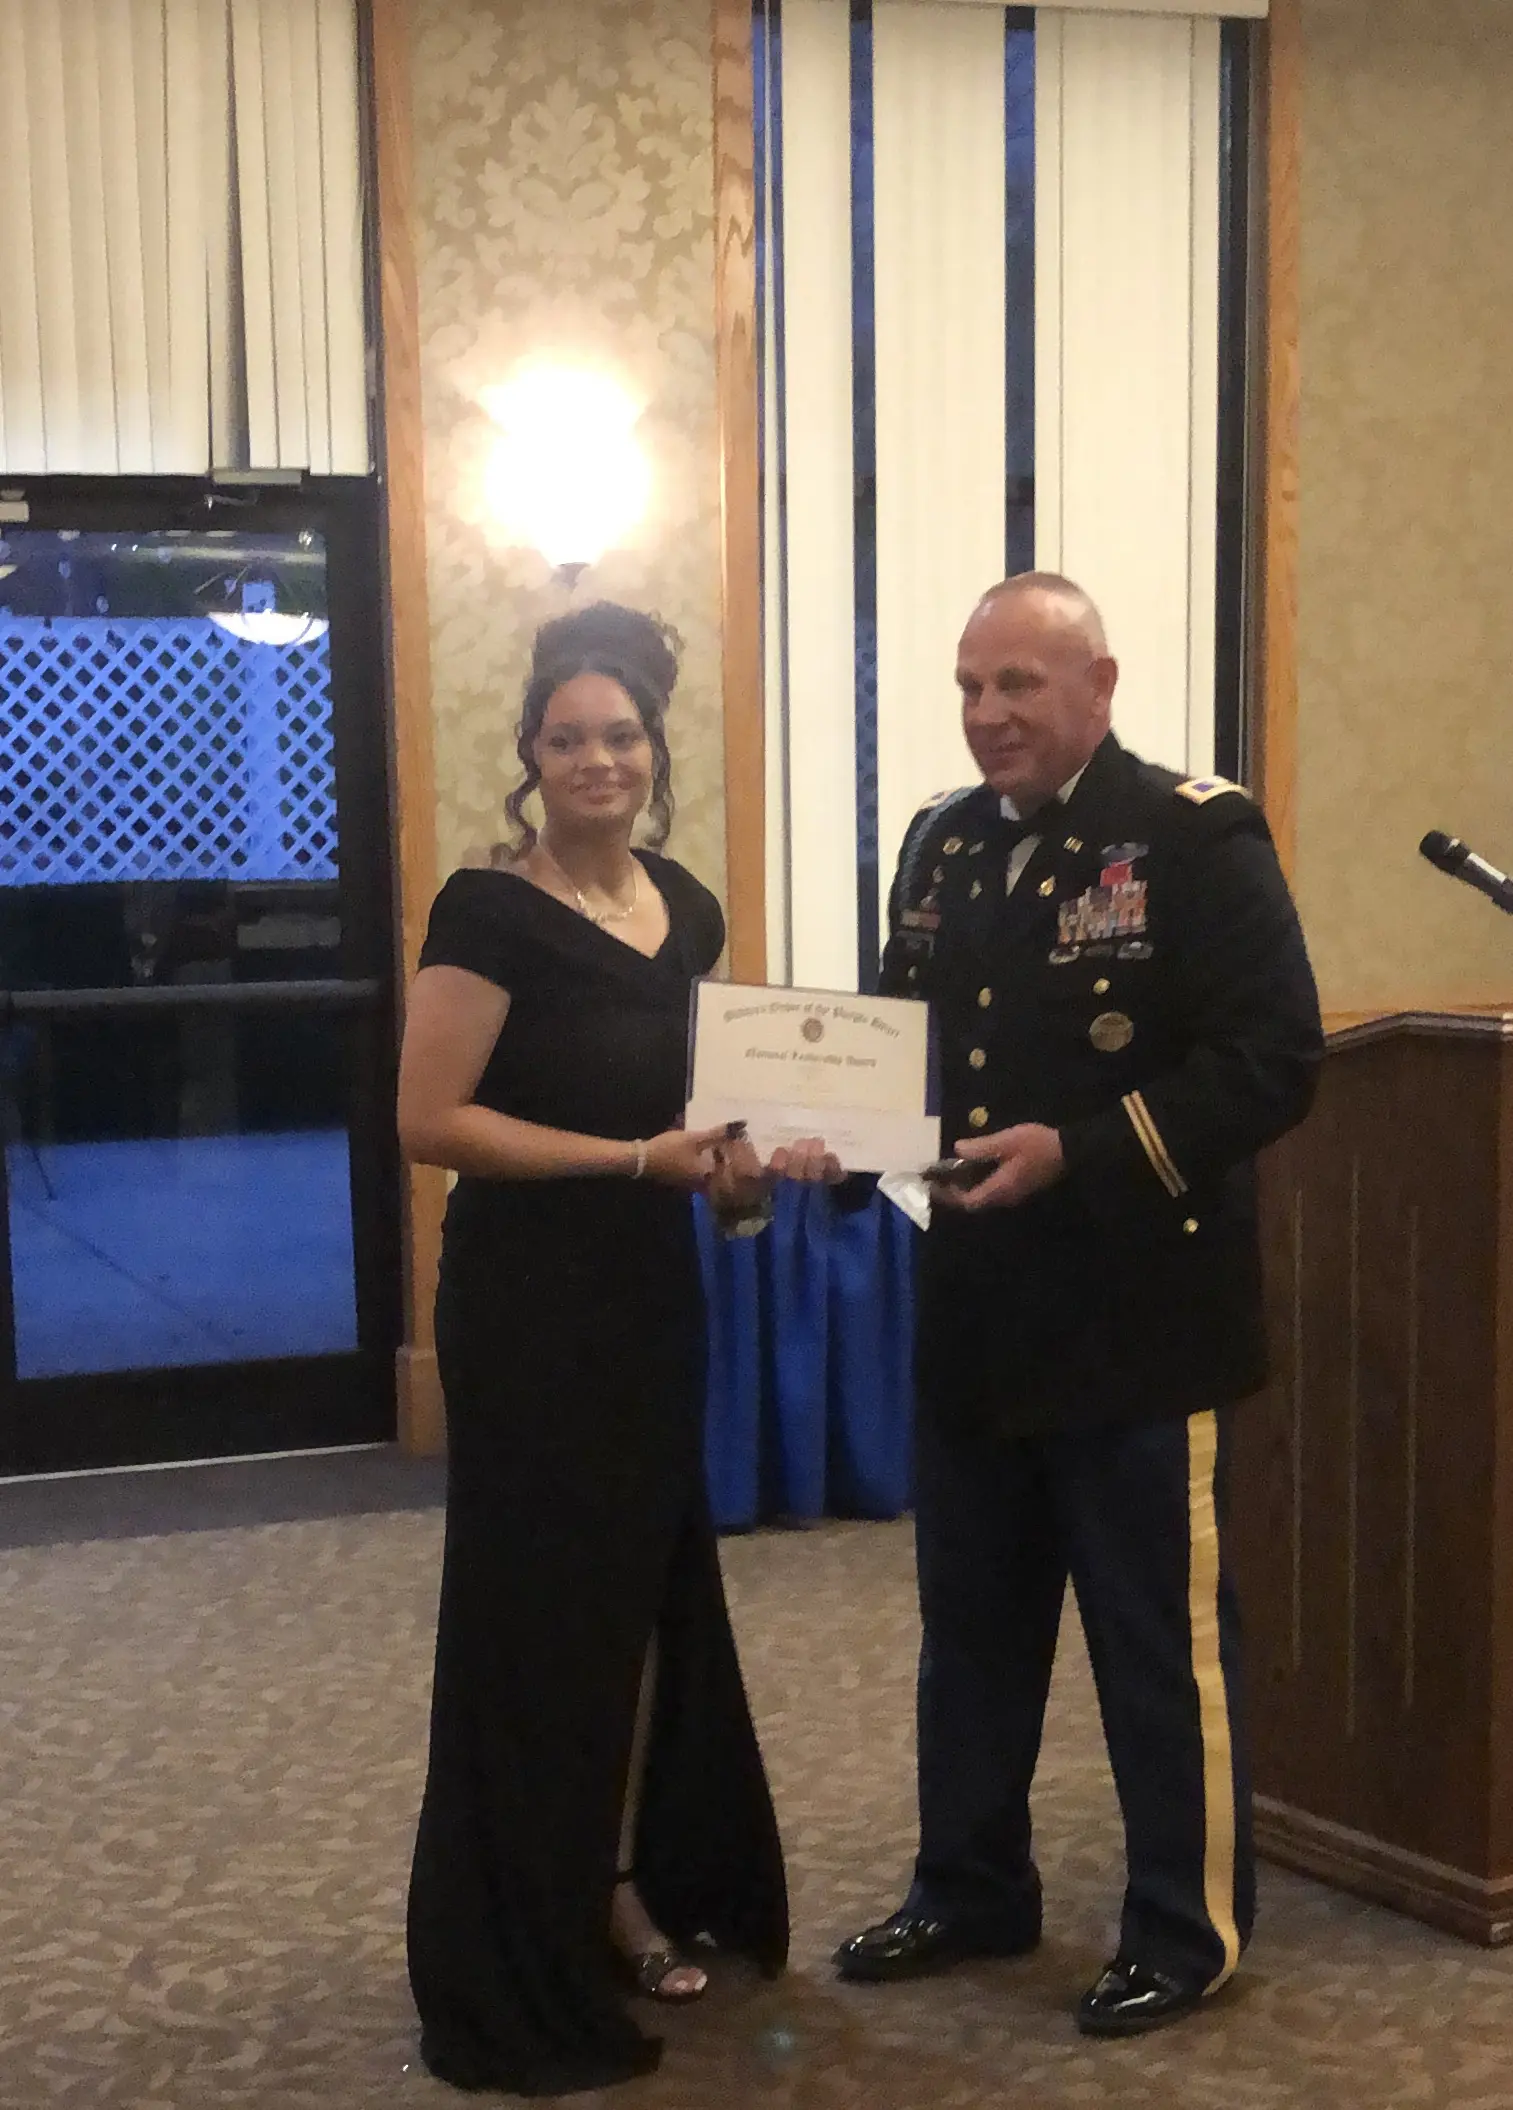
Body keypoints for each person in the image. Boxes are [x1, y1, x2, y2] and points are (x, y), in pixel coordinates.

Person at [830, 572, 1323, 2036]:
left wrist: (1082, 1151)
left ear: (1098, 685)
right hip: (976, 1308)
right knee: (972, 1632)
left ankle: (1188, 1925)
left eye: (1019, 685)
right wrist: (819, 1123)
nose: (988, 714)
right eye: (969, 687)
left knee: (1156, 1649)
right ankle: (972, 1884)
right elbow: (902, 1045)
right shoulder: (942, 841)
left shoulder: (1193, 834)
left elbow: (1272, 1059)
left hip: (1134, 1319)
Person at [399, 602, 811, 2095]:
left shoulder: (686, 910)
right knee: (538, 1626)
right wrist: (637, 1161)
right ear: (529, 751)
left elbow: (701, 1112)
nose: (597, 760)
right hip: (527, 1313)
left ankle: (621, 1883)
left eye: (621, 735)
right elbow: (430, 1120)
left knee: (639, 1609)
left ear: (654, 747)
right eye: (567, 737)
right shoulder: (487, 911)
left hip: (646, 1298)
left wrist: (740, 1176)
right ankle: (526, 1932)